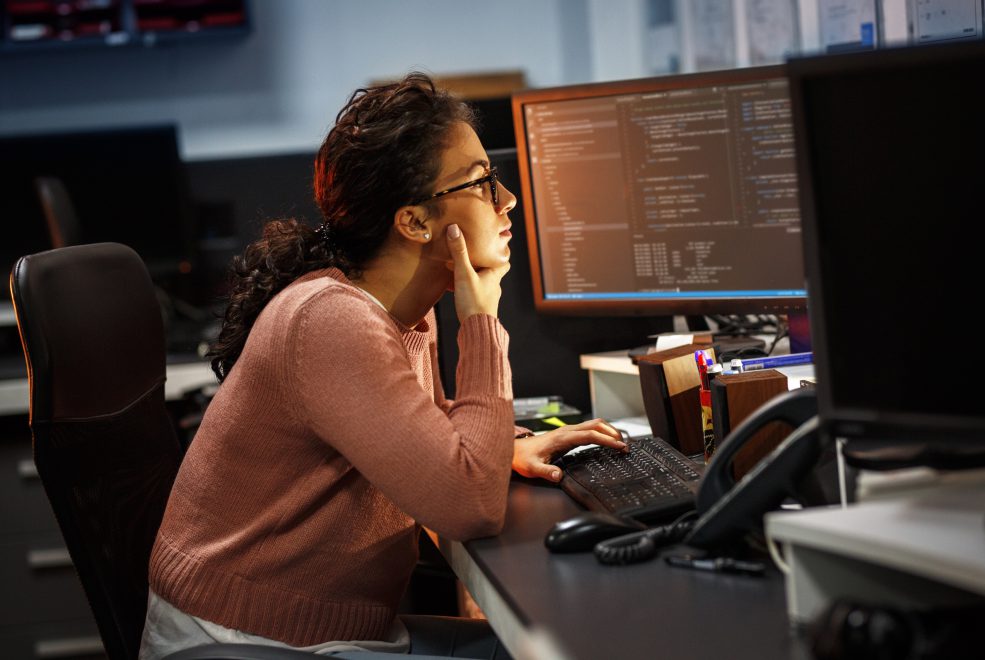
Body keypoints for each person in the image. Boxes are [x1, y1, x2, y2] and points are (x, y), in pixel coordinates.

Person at [140, 71, 627, 659]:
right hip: (245, 641)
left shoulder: (402, 311)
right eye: (482, 183)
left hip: (314, 633)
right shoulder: (332, 322)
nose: (508, 199)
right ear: (415, 222)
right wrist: (481, 320)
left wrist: (503, 449)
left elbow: (420, 428)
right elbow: (468, 506)